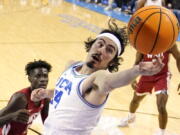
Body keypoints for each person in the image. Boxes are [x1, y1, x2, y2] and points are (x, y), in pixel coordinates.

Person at [31, 19, 164, 135]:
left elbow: (110, 82)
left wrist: (137, 70)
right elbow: (66, 93)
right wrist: (46, 93)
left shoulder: (99, 78)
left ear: (112, 62)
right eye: (100, 44)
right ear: (91, 45)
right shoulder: (71, 66)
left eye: (109, 50)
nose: (101, 50)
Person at [118, 44, 180, 135]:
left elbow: (178, 57)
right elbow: (137, 61)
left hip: (162, 76)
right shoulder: (144, 41)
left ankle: (162, 132)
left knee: (161, 106)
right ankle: (131, 117)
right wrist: (133, 78)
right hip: (146, 75)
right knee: (135, 100)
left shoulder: (169, 41)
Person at [0, 60, 52, 135]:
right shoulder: (21, 98)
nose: (43, 80)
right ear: (29, 79)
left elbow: (48, 124)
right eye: (38, 76)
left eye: (45, 76)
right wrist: (11, 116)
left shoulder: (45, 98)